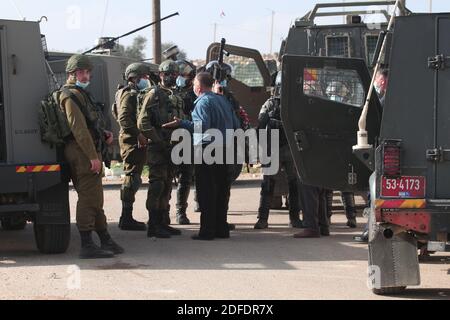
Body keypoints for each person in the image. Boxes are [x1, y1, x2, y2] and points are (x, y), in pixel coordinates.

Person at [163, 72, 240, 240]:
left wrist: (181, 123)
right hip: (225, 148)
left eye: (194, 85)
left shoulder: (202, 103)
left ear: (198, 86)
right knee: (221, 190)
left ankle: (207, 231)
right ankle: (221, 229)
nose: (193, 87)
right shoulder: (223, 100)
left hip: (207, 149)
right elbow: (236, 124)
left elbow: (202, 127)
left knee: (206, 191)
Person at [61, 54, 123, 259]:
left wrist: (103, 134)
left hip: (88, 149)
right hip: (81, 152)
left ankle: (104, 238)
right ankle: (87, 244)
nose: (86, 76)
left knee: (95, 196)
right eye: (81, 72)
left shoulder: (81, 94)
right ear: (71, 73)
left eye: (88, 72)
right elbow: (78, 129)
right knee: (89, 198)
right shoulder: (70, 96)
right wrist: (92, 157)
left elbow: (88, 124)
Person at [137, 60, 184, 238]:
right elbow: (143, 122)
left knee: (167, 185)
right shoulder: (153, 94)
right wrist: (157, 141)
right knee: (157, 185)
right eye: (169, 74)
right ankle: (154, 224)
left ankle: (163, 221)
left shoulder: (176, 95)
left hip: (173, 147)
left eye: (175, 74)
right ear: (162, 75)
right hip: (158, 148)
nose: (173, 77)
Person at [254, 72, 302, 229]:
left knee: (270, 184)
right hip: (287, 149)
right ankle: (293, 219)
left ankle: (263, 219)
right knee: (292, 185)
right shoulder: (294, 103)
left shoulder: (269, 104)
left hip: (277, 149)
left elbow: (260, 125)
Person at [115, 63, 151, 231]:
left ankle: (126, 216)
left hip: (134, 139)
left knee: (134, 176)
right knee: (132, 177)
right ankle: (126, 217)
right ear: (134, 78)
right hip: (131, 141)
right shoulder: (129, 95)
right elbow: (123, 118)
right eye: (144, 77)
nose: (146, 80)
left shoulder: (129, 93)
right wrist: (138, 134)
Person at [174, 59, 197, 225]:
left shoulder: (196, 95)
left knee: (187, 177)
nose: (180, 78)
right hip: (173, 140)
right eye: (178, 75)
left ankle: (182, 210)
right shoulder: (171, 93)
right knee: (171, 178)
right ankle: (169, 212)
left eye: (184, 75)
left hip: (191, 139)